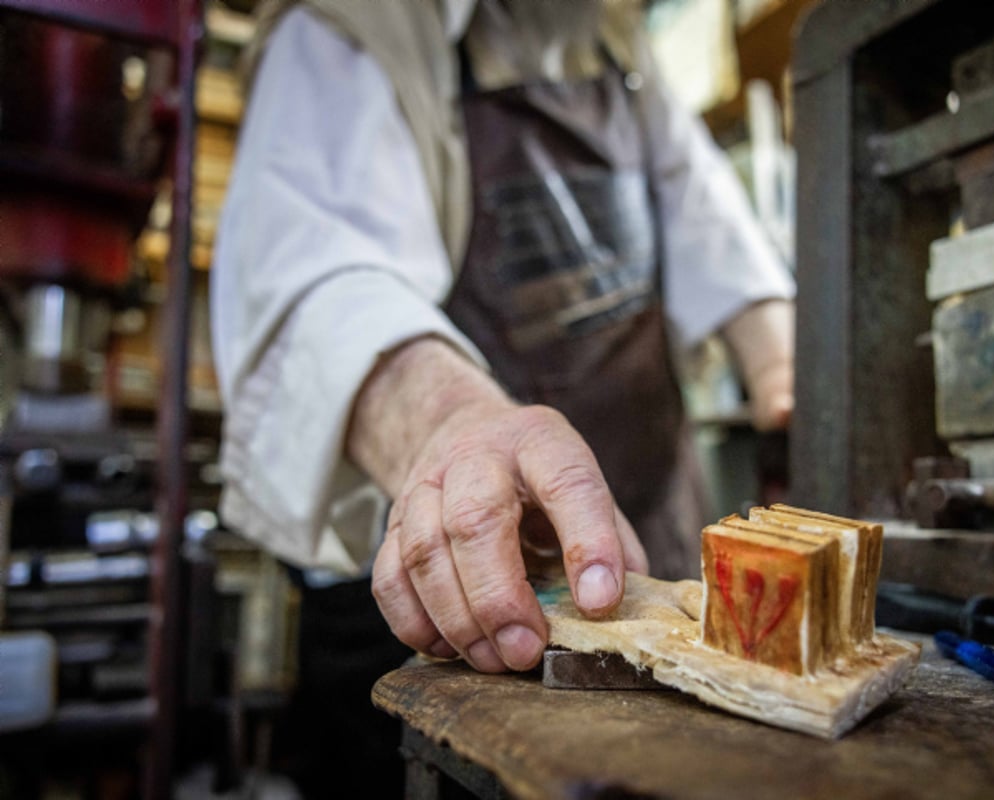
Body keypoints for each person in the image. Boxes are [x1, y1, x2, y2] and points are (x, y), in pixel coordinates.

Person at [212, 0, 794, 793]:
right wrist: (455, 428)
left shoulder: (615, 48)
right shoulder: (350, 26)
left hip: (638, 548)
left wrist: (782, 379)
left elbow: (714, 230)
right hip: (451, 592)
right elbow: (319, 281)